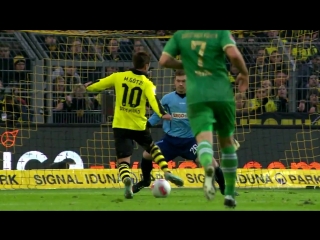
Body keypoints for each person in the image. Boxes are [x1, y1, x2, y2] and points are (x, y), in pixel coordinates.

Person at [159, 30, 249, 208]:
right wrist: (244, 73)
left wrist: (185, 63)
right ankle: (229, 193)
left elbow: (163, 61)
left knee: (204, 143)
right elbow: (234, 54)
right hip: (221, 92)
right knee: (228, 145)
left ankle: (207, 164)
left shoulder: (180, 35)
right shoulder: (220, 33)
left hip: (197, 95)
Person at [85, 51, 184, 199]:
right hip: (138, 125)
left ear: (134, 63)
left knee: (123, 161)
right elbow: (154, 101)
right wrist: (163, 114)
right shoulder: (147, 83)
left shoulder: (118, 76)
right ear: (146, 65)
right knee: (152, 148)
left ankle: (127, 179)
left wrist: (87, 87)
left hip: (120, 125)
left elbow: (98, 85)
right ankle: (167, 171)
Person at [132, 69, 240, 196]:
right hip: (170, 141)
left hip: (190, 142)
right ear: (174, 82)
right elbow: (158, 115)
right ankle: (145, 181)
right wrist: (145, 126)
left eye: (184, 81)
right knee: (147, 154)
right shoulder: (167, 99)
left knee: (211, 162)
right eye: (178, 81)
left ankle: (224, 189)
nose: (181, 84)